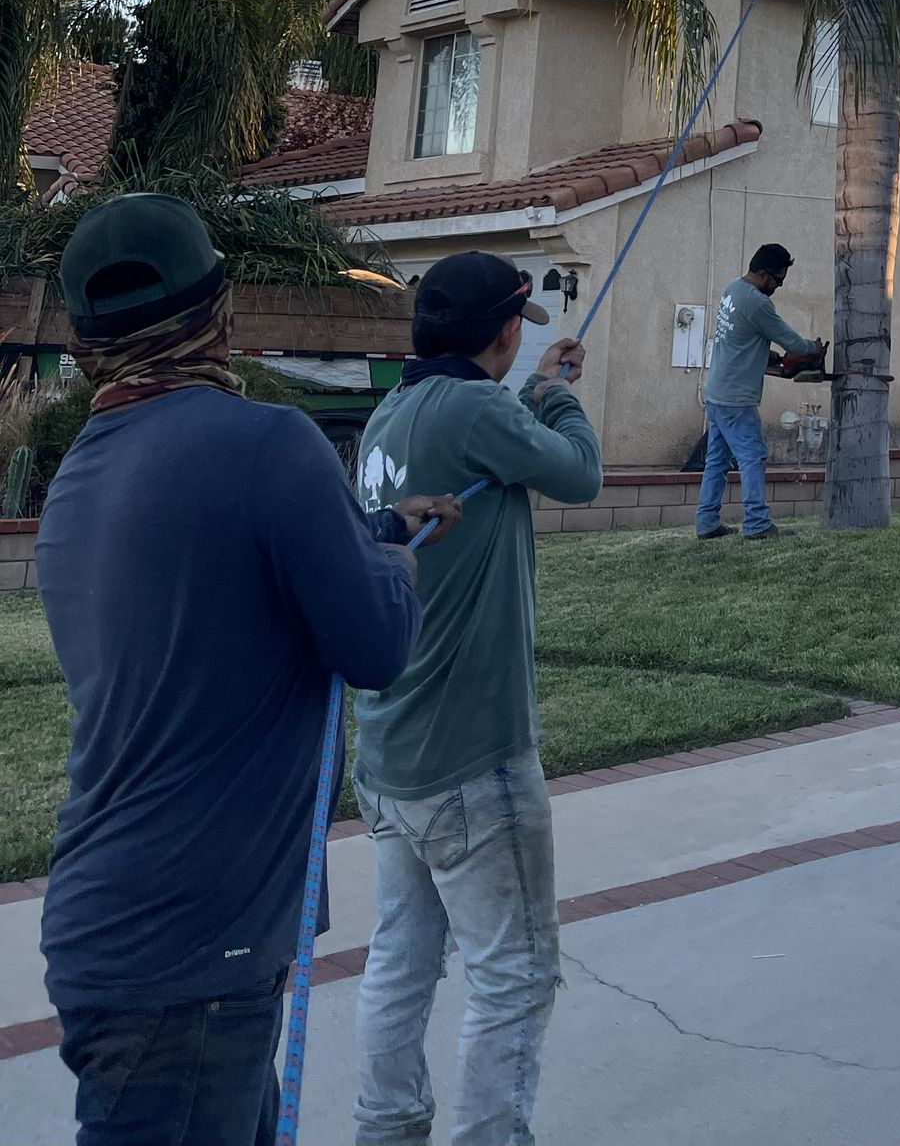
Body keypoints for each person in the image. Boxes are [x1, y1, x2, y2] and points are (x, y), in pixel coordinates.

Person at [37, 192, 450, 1146]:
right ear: (221, 313)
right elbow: (377, 646)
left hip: (121, 934)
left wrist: (373, 526)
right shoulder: (270, 443)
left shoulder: (83, 480)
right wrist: (396, 562)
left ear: (93, 344)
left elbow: (217, 572)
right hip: (197, 959)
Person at [351, 250, 602, 1146]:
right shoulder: (473, 409)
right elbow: (579, 473)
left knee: (401, 962)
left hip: (388, 759)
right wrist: (562, 394)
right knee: (516, 975)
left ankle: (386, 1130)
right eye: (519, 330)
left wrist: (529, 391)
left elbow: (502, 434)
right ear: (501, 331)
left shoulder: (392, 414)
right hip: (472, 761)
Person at [696, 242, 823, 541]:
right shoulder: (757, 302)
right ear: (764, 274)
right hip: (737, 401)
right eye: (778, 280)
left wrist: (768, 358)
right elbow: (791, 341)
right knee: (753, 457)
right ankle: (756, 524)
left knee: (716, 461)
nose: (778, 286)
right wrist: (813, 350)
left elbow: (741, 339)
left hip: (716, 393)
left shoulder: (731, 290)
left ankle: (706, 523)